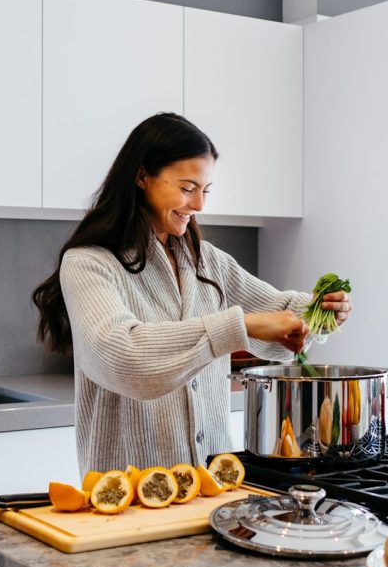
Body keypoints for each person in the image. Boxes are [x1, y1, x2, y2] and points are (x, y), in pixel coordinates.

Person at [32, 113, 352, 473]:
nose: (199, 204)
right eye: (187, 188)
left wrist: (319, 311)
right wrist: (238, 326)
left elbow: (277, 312)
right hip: (129, 494)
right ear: (141, 177)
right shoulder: (89, 263)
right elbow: (123, 357)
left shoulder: (207, 261)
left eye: (205, 190)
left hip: (215, 484)